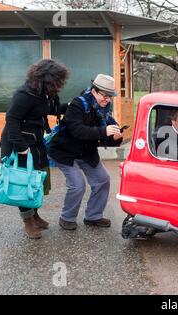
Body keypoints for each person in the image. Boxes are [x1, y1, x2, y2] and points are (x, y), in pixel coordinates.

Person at [0, 59, 69, 239]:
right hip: (20, 142)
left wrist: (70, 106)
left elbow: (51, 109)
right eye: (58, 81)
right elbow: (12, 119)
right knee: (23, 181)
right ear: (46, 79)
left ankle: (35, 215)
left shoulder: (45, 93)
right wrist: (20, 146)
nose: (60, 85)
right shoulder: (25, 95)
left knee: (37, 179)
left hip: (36, 140)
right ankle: (27, 221)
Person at [48, 74, 123, 231]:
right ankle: (66, 217)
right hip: (65, 151)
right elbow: (77, 131)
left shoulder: (105, 111)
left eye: (110, 96)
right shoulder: (78, 104)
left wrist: (116, 137)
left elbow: (106, 139)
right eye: (104, 95)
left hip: (86, 153)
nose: (107, 99)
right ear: (94, 91)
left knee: (103, 179)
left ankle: (93, 216)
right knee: (77, 185)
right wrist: (104, 131)